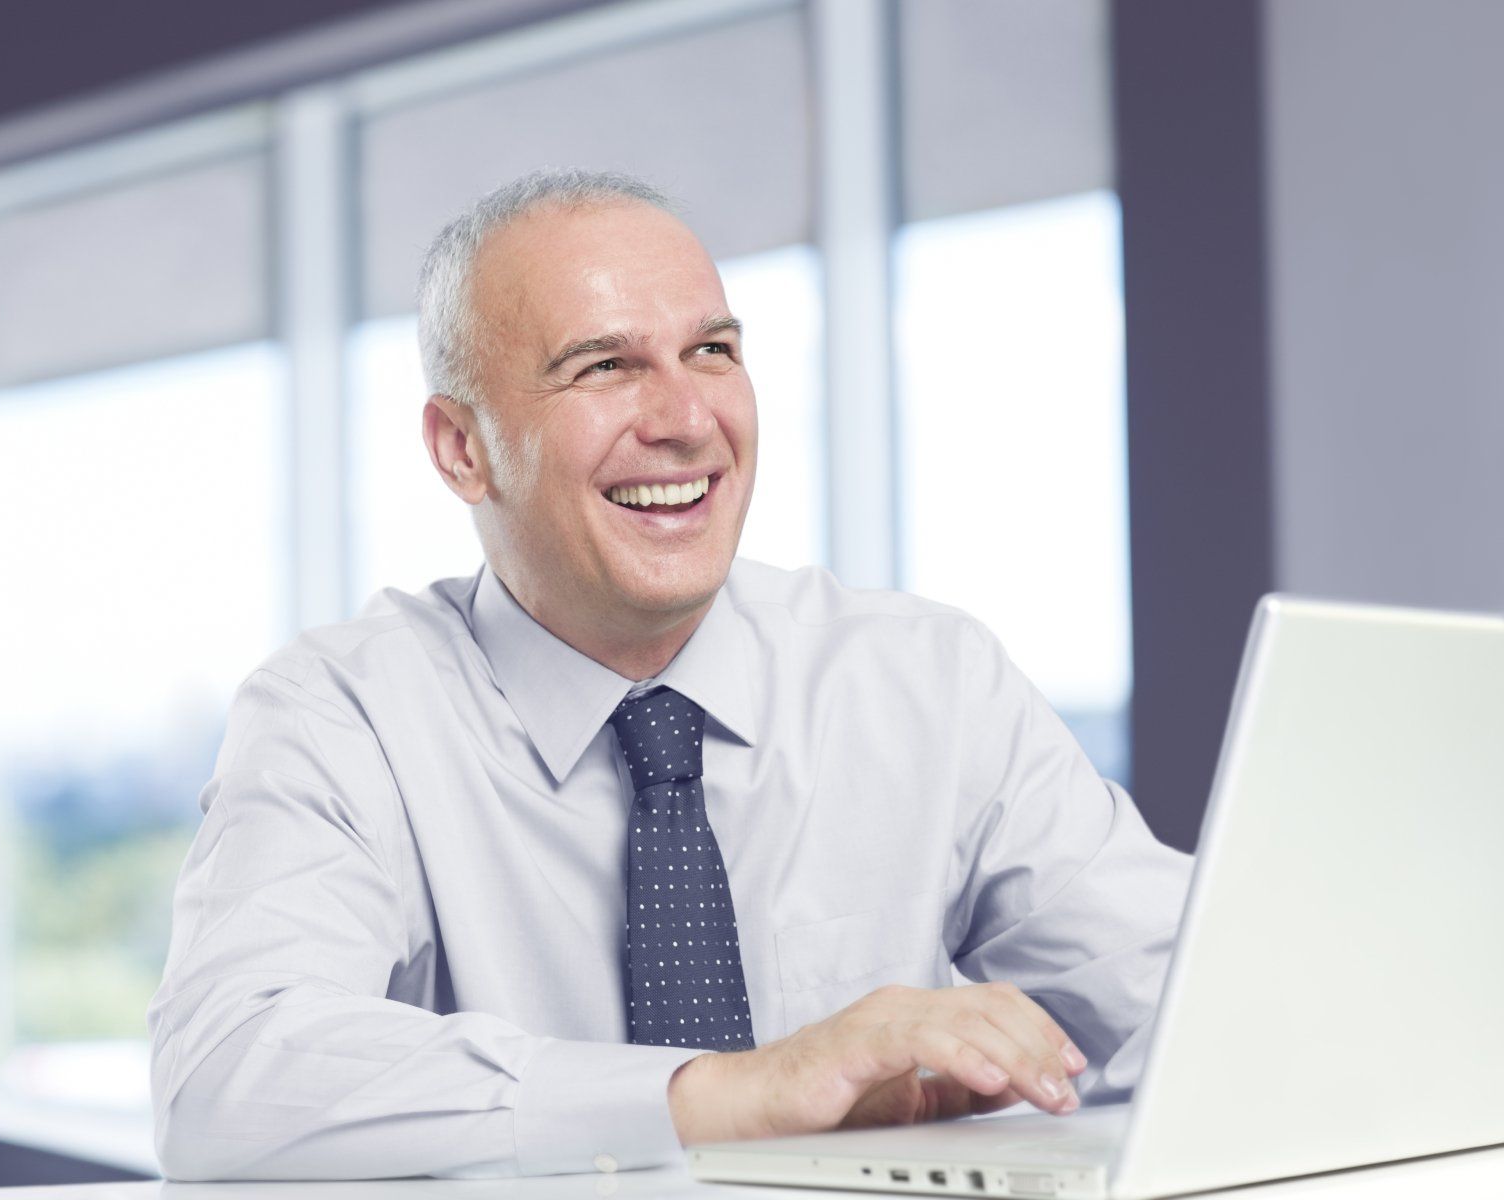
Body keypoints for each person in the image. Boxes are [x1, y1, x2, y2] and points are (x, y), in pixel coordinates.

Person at [147, 168, 1192, 1182]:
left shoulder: (925, 680)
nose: (687, 418)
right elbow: (225, 1076)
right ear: (462, 447)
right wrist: (724, 1096)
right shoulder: (343, 715)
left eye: (712, 350)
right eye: (604, 366)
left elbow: (1210, 1002)